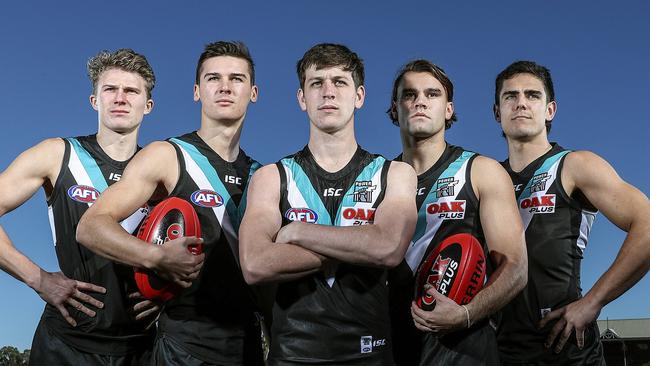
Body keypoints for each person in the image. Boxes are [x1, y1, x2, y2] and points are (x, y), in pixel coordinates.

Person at [77, 41, 265, 365]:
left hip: (248, 344)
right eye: (212, 78)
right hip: (184, 347)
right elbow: (91, 226)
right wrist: (155, 257)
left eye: (236, 79)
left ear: (253, 92)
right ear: (196, 91)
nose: (224, 87)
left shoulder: (263, 176)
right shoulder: (167, 156)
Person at [239, 43, 417, 365]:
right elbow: (255, 263)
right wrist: (359, 245)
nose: (328, 92)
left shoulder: (395, 173)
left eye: (340, 82)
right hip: (293, 355)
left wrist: (296, 232)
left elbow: (389, 247)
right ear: (301, 98)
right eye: (317, 83)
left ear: (359, 96)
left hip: (371, 354)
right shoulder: (272, 176)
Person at [0, 48, 158, 364]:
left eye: (131, 91)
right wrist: (37, 278)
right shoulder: (56, 154)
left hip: (141, 345)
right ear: (94, 101)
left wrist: (170, 296)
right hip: (66, 343)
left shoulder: (162, 169)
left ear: (147, 105)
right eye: (110, 89)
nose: (120, 98)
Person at [493, 60, 650, 365]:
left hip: (568, 346)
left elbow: (647, 222)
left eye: (532, 95)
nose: (521, 103)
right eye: (510, 96)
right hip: (502, 348)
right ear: (497, 112)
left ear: (550, 110)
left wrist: (594, 301)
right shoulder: (487, 178)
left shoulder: (575, 165)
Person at [386, 59, 527, 366]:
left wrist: (465, 314)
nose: (420, 101)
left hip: (464, 349)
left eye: (432, 94)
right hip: (392, 346)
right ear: (395, 110)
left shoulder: (480, 171)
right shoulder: (377, 180)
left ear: (448, 109)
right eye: (409, 94)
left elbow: (516, 267)